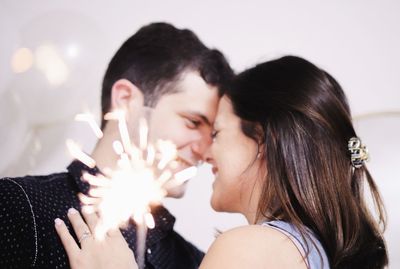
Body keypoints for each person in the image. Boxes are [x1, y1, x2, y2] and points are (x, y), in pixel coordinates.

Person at [56, 55, 388, 269]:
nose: (204, 153)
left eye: (216, 133)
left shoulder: (253, 248)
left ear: (262, 142)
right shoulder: (312, 251)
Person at [0, 22, 233, 269]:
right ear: (125, 100)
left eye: (213, 134)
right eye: (193, 122)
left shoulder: (197, 262)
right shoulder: (16, 208)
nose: (205, 150)